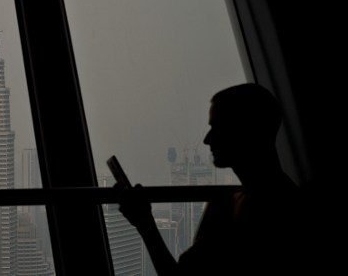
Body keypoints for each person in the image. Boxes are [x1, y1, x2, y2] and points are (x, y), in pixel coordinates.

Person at [115, 83, 310, 275]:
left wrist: (145, 225)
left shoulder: (255, 208)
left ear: (246, 130)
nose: (207, 139)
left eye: (218, 128)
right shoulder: (280, 202)